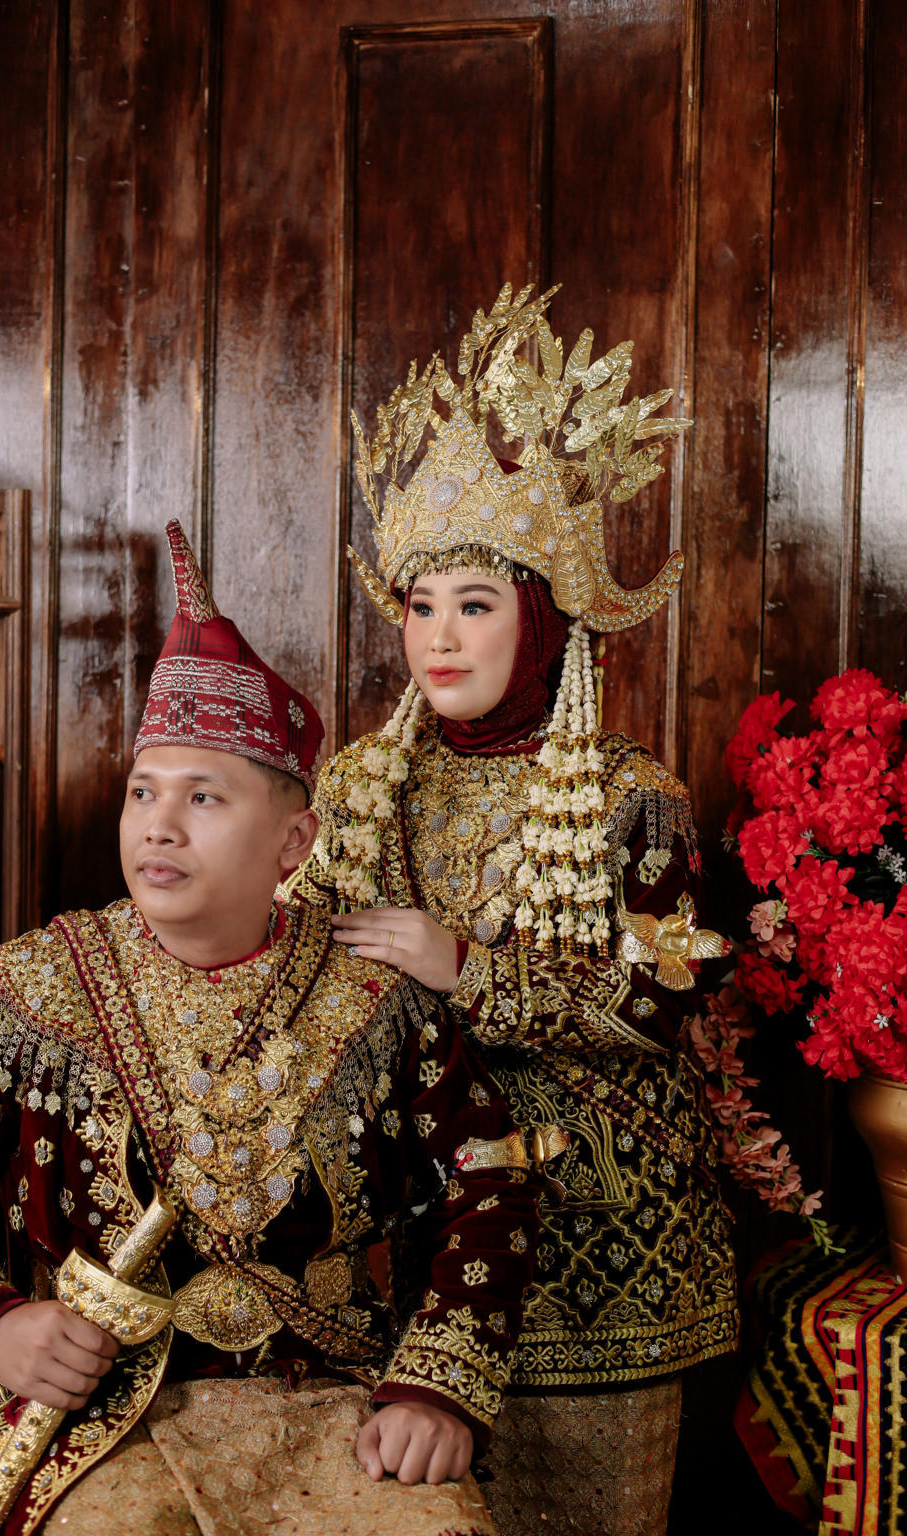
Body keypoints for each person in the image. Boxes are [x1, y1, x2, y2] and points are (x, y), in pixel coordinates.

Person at [0, 520, 538, 1536]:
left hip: (336, 1410)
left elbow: (490, 1175)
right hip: (97, 1416)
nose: (160, 823)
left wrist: (436, 1388)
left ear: (294, 842)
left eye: (203, 797)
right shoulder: (34, 987)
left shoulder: (374, 1001)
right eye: (143, 792)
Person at [313, 284, 740, 1536]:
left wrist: (466, 969)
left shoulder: (632, 797)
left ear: (542, 621)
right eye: (420, 606)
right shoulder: (357, 786)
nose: (438, 639)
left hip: (600, 1247)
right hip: (413, 1232)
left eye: (475, 605)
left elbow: (661, 1004)